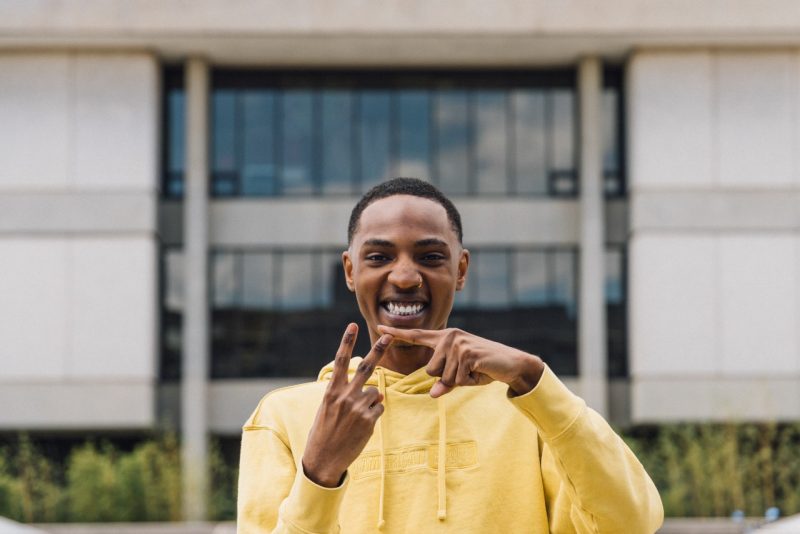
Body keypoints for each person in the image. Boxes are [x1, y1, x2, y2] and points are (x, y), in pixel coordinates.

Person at [237, 177, 663, 533]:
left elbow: (633, 523)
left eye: (430, 257)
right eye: (380, 257)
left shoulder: (530, 409)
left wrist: (535, 377)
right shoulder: (283, 417)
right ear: (351, 271)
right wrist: (320, 472)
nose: (404, 277)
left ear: (460, 270)